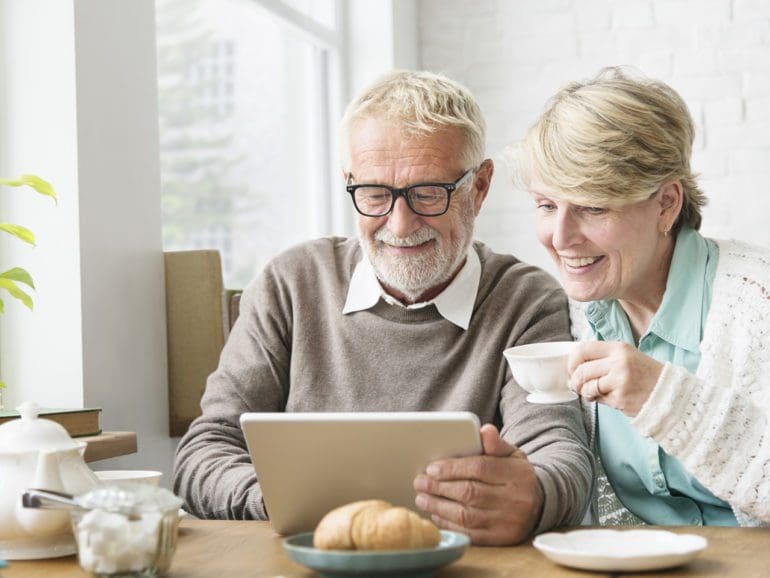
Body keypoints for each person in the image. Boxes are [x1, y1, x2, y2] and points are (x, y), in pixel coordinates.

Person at [173, 70, 593, 545]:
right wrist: (288, 502)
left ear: (478, 187)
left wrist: (533, 498)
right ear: (349, 182)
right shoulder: (290, 284)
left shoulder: (527, 300)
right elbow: (203, 454)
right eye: (374, 194)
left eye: (428, 193)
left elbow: (559, 456)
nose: (399, 223)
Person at [513, 66, 770, 527]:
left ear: (666, 203)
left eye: (593, 206)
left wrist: (666, 399)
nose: (561, 237)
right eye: (547, 205)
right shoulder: (570, 318)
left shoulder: (756, 302)